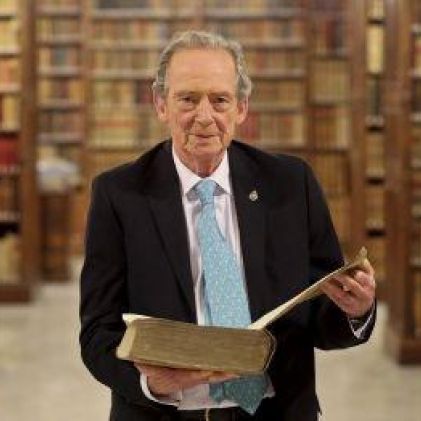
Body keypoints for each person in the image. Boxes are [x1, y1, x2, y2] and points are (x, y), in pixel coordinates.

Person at [79, 31, 376, 421]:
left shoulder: (291, 184)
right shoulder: (119, 194)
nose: (204, 117)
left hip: (277, 411)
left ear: (241, 108)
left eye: (220, 100)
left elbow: (321, 318)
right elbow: (97, 332)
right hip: (164, 413)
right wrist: (151, 384)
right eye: (188, 99)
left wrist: (356, 309)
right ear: (160, 104)